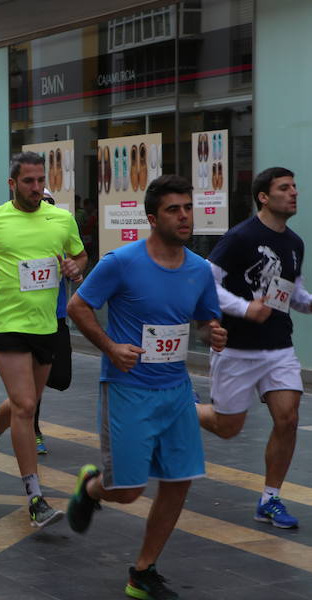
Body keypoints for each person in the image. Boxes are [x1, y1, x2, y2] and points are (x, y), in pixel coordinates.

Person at [66, 175, 226, 600]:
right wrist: (110, 346)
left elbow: (206, 319)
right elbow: (77, 306)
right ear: (152, 218)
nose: (185, 216)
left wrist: (213, 333)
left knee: (179, 481)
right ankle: (91, 487)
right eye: (174, 209)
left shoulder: (198, 269)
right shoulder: (121, 262)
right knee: (128, 490)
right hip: (127, 388)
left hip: (177, 390)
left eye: (188, 208)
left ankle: (143, 571)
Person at [0, 152, 86, 528]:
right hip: (5, 323)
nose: (36, 188)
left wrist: (75, 267)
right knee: (27, 405)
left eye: (40, 181)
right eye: (28, 181)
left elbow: (80, 256)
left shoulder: (61, 219)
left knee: (23, 403)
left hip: (46, 324)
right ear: (12, 183)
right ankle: (35, 497)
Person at [198, 166, 310, 529]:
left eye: (294, 187)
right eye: (284, 188)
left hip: (278, 346)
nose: (293, 193)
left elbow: (293, 293)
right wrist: (246, 308)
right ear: (264, 196)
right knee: (227, 426)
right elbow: (207, 283)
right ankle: (181, 405)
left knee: (288, 419)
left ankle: (270, 499)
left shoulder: (294, 243)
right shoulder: (240, 237)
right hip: (237, 348)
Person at [33, 189, 76, 455]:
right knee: (30, 387)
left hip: (57, 316)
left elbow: (77, 267)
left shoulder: (60, 239)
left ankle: (21, 392)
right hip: (29, 320)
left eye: (50, 205)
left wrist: (73, 269)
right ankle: (33, 429)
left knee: (61, 378)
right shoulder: (21, 239)